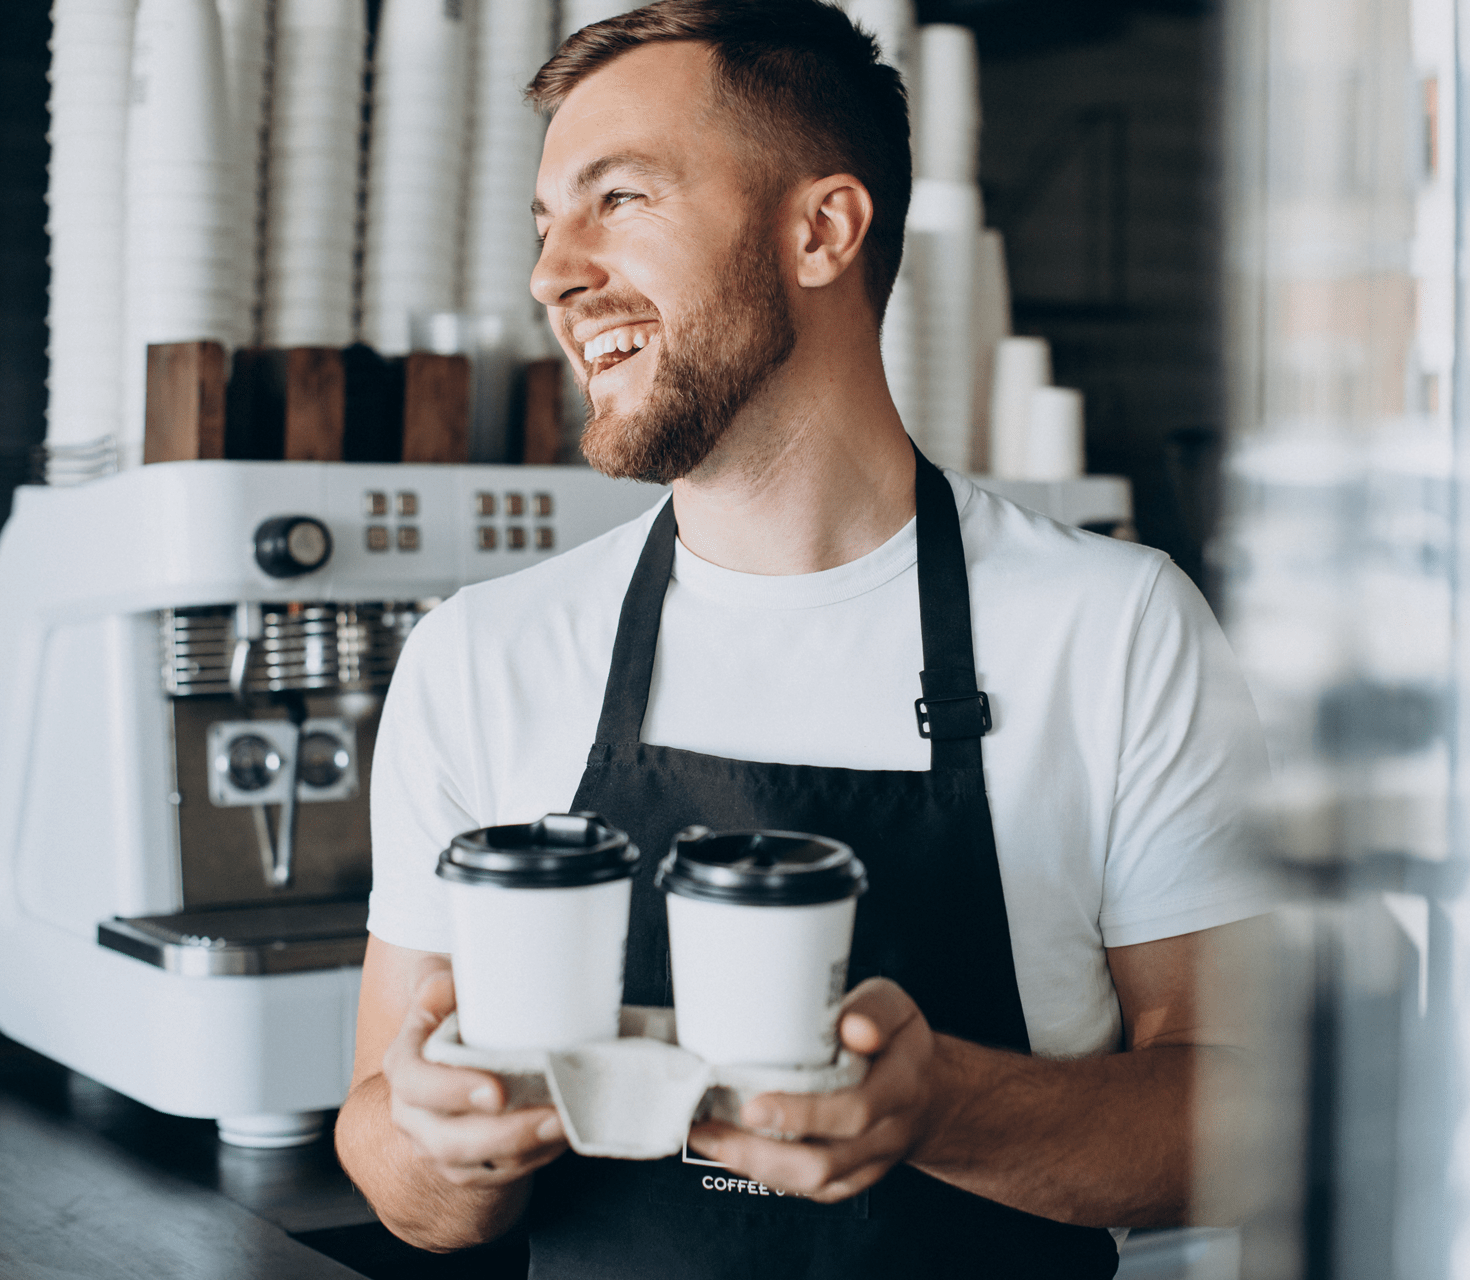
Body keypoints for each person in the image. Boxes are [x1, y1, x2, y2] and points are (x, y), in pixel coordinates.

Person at [334, 2, 1283, 1275]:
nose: (552, 273)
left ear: (822, 229)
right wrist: (444, 1144)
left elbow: (1241, 1119)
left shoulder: (1116, 628)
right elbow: (390, 1161)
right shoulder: (480, 655)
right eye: (548, 221)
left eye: (619, 199)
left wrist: (940, 1106)